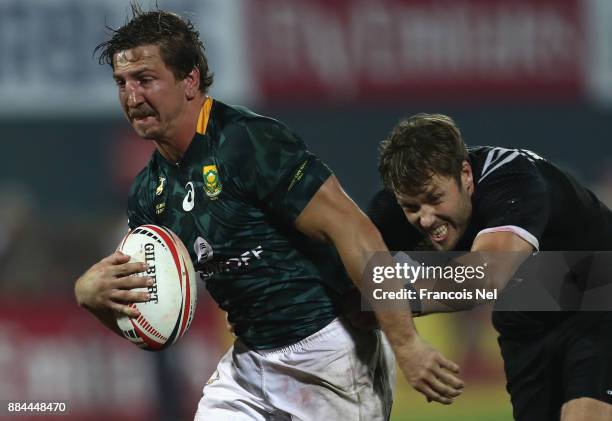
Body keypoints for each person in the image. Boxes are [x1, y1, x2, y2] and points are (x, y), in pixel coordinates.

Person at [73, 6, 464, 420]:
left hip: (330, 353)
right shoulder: (147, 195)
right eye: (122, 83)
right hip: (248, 364)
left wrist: (406, 343)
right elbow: (157, 324)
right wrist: (91, 297)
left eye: (146, 80)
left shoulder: (247, 143)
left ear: (189, 81)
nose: (132, 98)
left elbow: (356, 233)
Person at [369, 113, 612, 420]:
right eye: (412, 207)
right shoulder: (393, 208)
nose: (426, 218)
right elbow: (354, 274)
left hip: (598, 294)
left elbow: (485, 276)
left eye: (435, 198)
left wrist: (394, 301)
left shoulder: (513, 180)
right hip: (524, 317)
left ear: (466, 175)